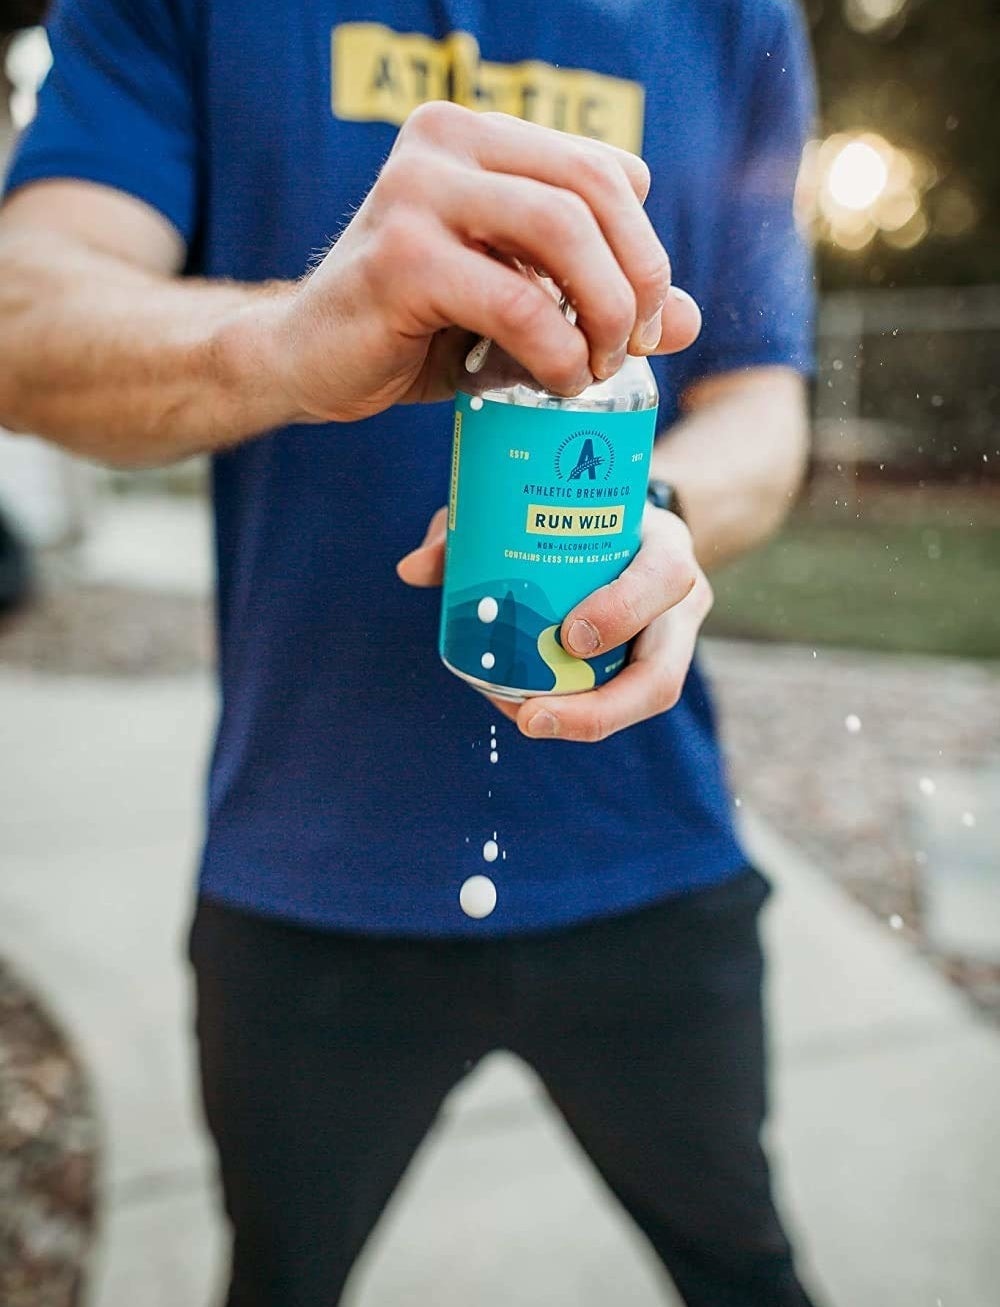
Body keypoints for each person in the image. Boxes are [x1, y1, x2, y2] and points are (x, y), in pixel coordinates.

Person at [0, 1, 822, 1304]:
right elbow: (21, 325)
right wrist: (286, 337)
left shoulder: (738, 17)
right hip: (306, 867)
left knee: (746, 1271)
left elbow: (767, 417)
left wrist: (647, 521)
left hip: (646, 850)